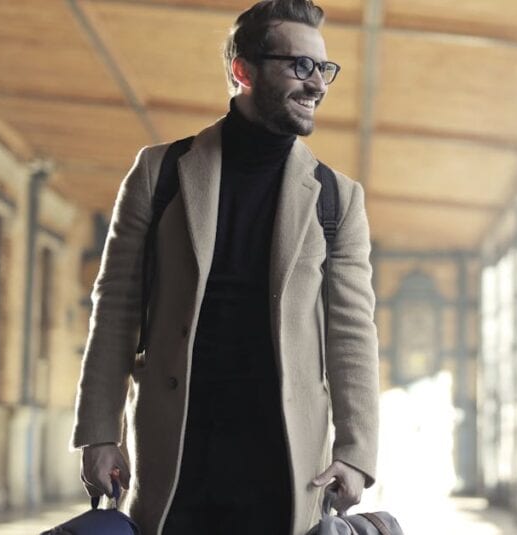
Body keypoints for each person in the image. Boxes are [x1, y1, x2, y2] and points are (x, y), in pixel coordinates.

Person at [70, 1, 379, 533]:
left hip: (286, 458)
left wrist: (356, 451)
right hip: (176, 451)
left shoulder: (337, 199)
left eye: (323, 68)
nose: (317, 84)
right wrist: (100, 430)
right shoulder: (158, 172)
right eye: (299, 66)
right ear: (243, 70)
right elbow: (116, 305)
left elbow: (352, 332)